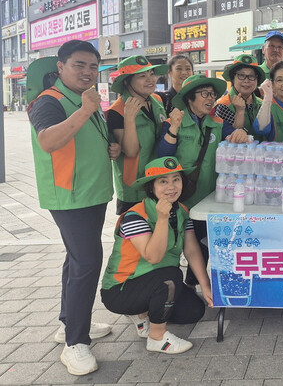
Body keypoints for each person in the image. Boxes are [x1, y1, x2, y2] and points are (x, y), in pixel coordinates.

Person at [27, 40, 121, 376]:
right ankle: (75, 343)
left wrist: (109, 146)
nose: (87, 72)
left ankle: (69, 322)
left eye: (93, 66)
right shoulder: (48, 101)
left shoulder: (85, 99)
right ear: (61, 67)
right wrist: (84, 110)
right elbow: (49, 141)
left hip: (92, 193)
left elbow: (85, 137)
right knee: (87, 261)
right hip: (70, 197)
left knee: (77, 259)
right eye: (79, 65)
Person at [100, 156, 213, 355]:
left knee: (193, 310)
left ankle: (142, 314)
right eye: (163, 181)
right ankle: (157, 337)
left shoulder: (182, 211)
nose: (171, 187)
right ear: (151, 187)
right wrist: (162, 219)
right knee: (171, 276)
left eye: (176, 179)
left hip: (154, 282)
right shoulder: (135, 216)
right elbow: (153, 257)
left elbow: (192, 250)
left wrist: (205, 285)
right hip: (121, 289)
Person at [157, 74, 239, 287]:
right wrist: (174, 128)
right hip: (180, 198)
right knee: (176, 243)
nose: (211, 98)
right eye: (205, 94)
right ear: (189, 98)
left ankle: (192, 284)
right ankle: (171, 287)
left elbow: (234, 136)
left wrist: (240, 134)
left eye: (212, 94)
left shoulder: (218, 123)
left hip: (208, 198)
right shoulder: (172, 123)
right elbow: (162, 157)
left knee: (203, 242)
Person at [107, 56, 169, 215]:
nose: (150, 79)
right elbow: (131, 151)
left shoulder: (157, 100)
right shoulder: (117, 110)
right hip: (134, 187)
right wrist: (129, 118)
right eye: (142, 76)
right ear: (126, 82)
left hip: (159, 179)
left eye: (151, 74)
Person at [214, 54, 266, 142]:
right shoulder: (223, 105)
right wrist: (240, 111)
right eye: (241, 75)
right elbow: (231, 138)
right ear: (233, 78)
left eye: (251, 76)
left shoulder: (262, 104)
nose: (246, 80)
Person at [254, 61, 283, 142]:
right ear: (273, 85)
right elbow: (261, 128)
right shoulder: (268, 106)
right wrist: (267, 97)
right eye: (279, 80)